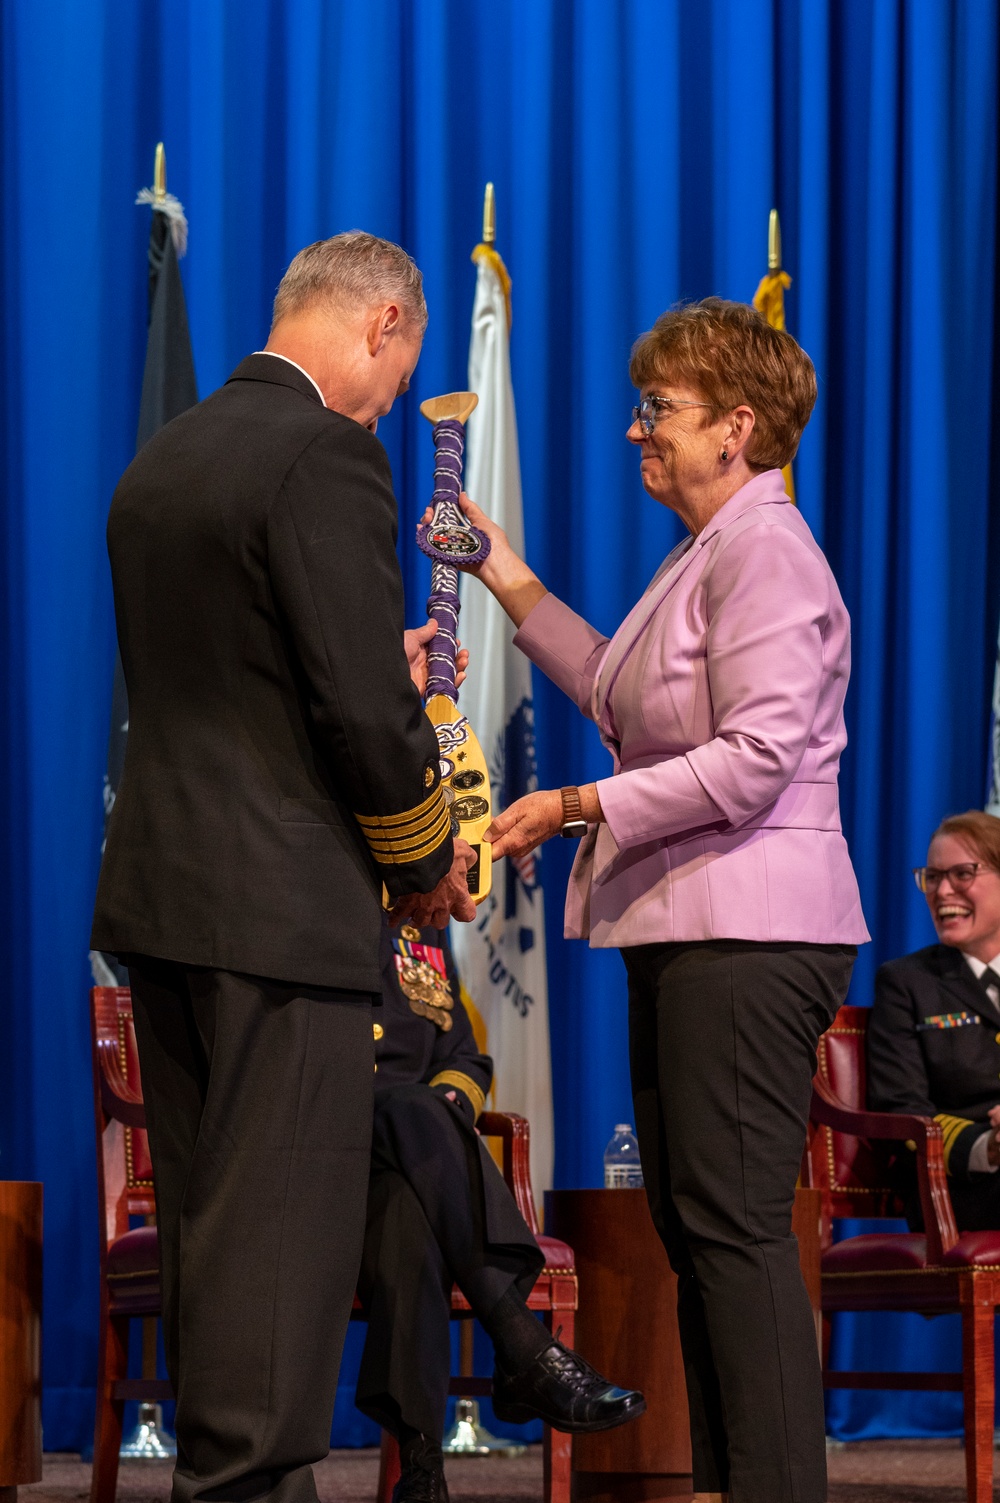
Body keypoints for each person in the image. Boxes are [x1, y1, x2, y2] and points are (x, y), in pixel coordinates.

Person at [451, 298, 870, 1503]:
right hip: (689, 926)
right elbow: (618, 693)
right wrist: (504, 575)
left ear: (737, 427)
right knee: (701, 1234)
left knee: (732, 1233)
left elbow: (751, 761)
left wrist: (573, 807)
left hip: (752, 931)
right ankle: (742, 1482)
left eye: (659, 411)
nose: (637, 431)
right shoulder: (705, 553)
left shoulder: (769, 555)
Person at [91, 232, 479, 1503]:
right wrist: (427, 861)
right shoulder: (327, 454)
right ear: (381, 324)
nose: (389, 396)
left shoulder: (163, 459)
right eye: (400, 364)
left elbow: (244, 675)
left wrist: (370, 649)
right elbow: (363, 720)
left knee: (216, 1234)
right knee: (282, 1246)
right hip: (281, 915)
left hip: (164, 898)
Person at [358, 920, 643, 1502]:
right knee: (411, 1111)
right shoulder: (325, 902)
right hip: (332, 1164)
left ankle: (422, 1474)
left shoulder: (418, 933)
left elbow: (463, 1055)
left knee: (411, 1223)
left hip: (409, 1179)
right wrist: (422, 1116)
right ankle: (521, 1346)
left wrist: (446, 1110)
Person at [869, 810, 1000, 1231]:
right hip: (963, 1192)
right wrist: (989, 1147)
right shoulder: (908, 983)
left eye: (962, 874)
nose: (943, 891)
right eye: (932, 876)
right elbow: (900, 1110)